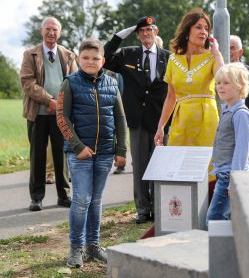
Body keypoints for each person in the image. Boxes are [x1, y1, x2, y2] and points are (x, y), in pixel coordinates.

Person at [56, 38, 127, 268]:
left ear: (103, 61)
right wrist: (78, 147)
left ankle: (93, 246)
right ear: (78, 59)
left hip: (105, 153)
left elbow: (120, 118)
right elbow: (61, 118)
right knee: (81, 199)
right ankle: (76, 248)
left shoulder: (112, 84)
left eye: (95, 58)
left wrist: (121, 149)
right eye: (85, 58)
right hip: (79, 154)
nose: (90, 62)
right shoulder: (70, 83)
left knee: (96, 201)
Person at [104, 16, 171, 224]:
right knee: (140, 166)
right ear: (137, 34)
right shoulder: (127, 54)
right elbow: (104, 56)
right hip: (138, 120)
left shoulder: (168, 57)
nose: (146, 34)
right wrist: (121, 33)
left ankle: (159, 208)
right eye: (141, 31)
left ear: (156, 32)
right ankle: (143, 209)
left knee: (161, 166)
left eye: (149, 30)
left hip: (161, 120)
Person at [20, 17, 76, 211]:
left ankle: (64, 195)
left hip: (62, 115)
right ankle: (36, 197)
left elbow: (74, 83)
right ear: (41, 30)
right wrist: (49, 100)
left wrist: (60, 103)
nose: (51, 33)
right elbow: (27, 83)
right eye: (48, 29)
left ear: (59, 33)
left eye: (55, 30)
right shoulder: (30, 54)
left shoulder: (68, 55)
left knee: (62, 156)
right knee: (38, 156)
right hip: (38, 114)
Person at [154, 8, 224, 148]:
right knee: (178, 164)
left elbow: (222, 78)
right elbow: (170, 97)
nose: (203, 32)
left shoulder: (211, 57)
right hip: (181, 121)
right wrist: (161, 126)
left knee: (206, 165)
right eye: (198, 27)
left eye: (206, 28)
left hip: (207, 120)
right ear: (187, 31)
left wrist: (216, 54)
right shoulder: (173, 59)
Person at [206, 62, 249, 224]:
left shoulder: (240, 114)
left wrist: (234, 181)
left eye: (226, 83)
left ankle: (221, 249)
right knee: (224, 221)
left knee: (214, 219)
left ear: (240, 86)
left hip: (230, 176)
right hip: (223, 174)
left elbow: (242, 149)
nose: (220, 87)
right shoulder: (227, 110)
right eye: (218, 83)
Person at [230, 35, 249, 109]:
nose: (229, 51)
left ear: (240, 52)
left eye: (232, 48)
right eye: (226, 47)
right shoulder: (217, 69)